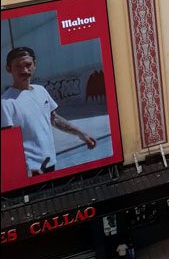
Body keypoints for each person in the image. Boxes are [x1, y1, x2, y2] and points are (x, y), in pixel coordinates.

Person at [2, 46, 98, 178]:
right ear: (8, 69)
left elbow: (54, 119)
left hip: (50, 163)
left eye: (28, 65)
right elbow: (7, 144)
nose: (24, 70)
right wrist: (26, 167)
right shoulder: (6, 102)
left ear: (34, 64)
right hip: (30, 171)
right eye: (18, 66)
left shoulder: (40, 91)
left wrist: (81, 134)